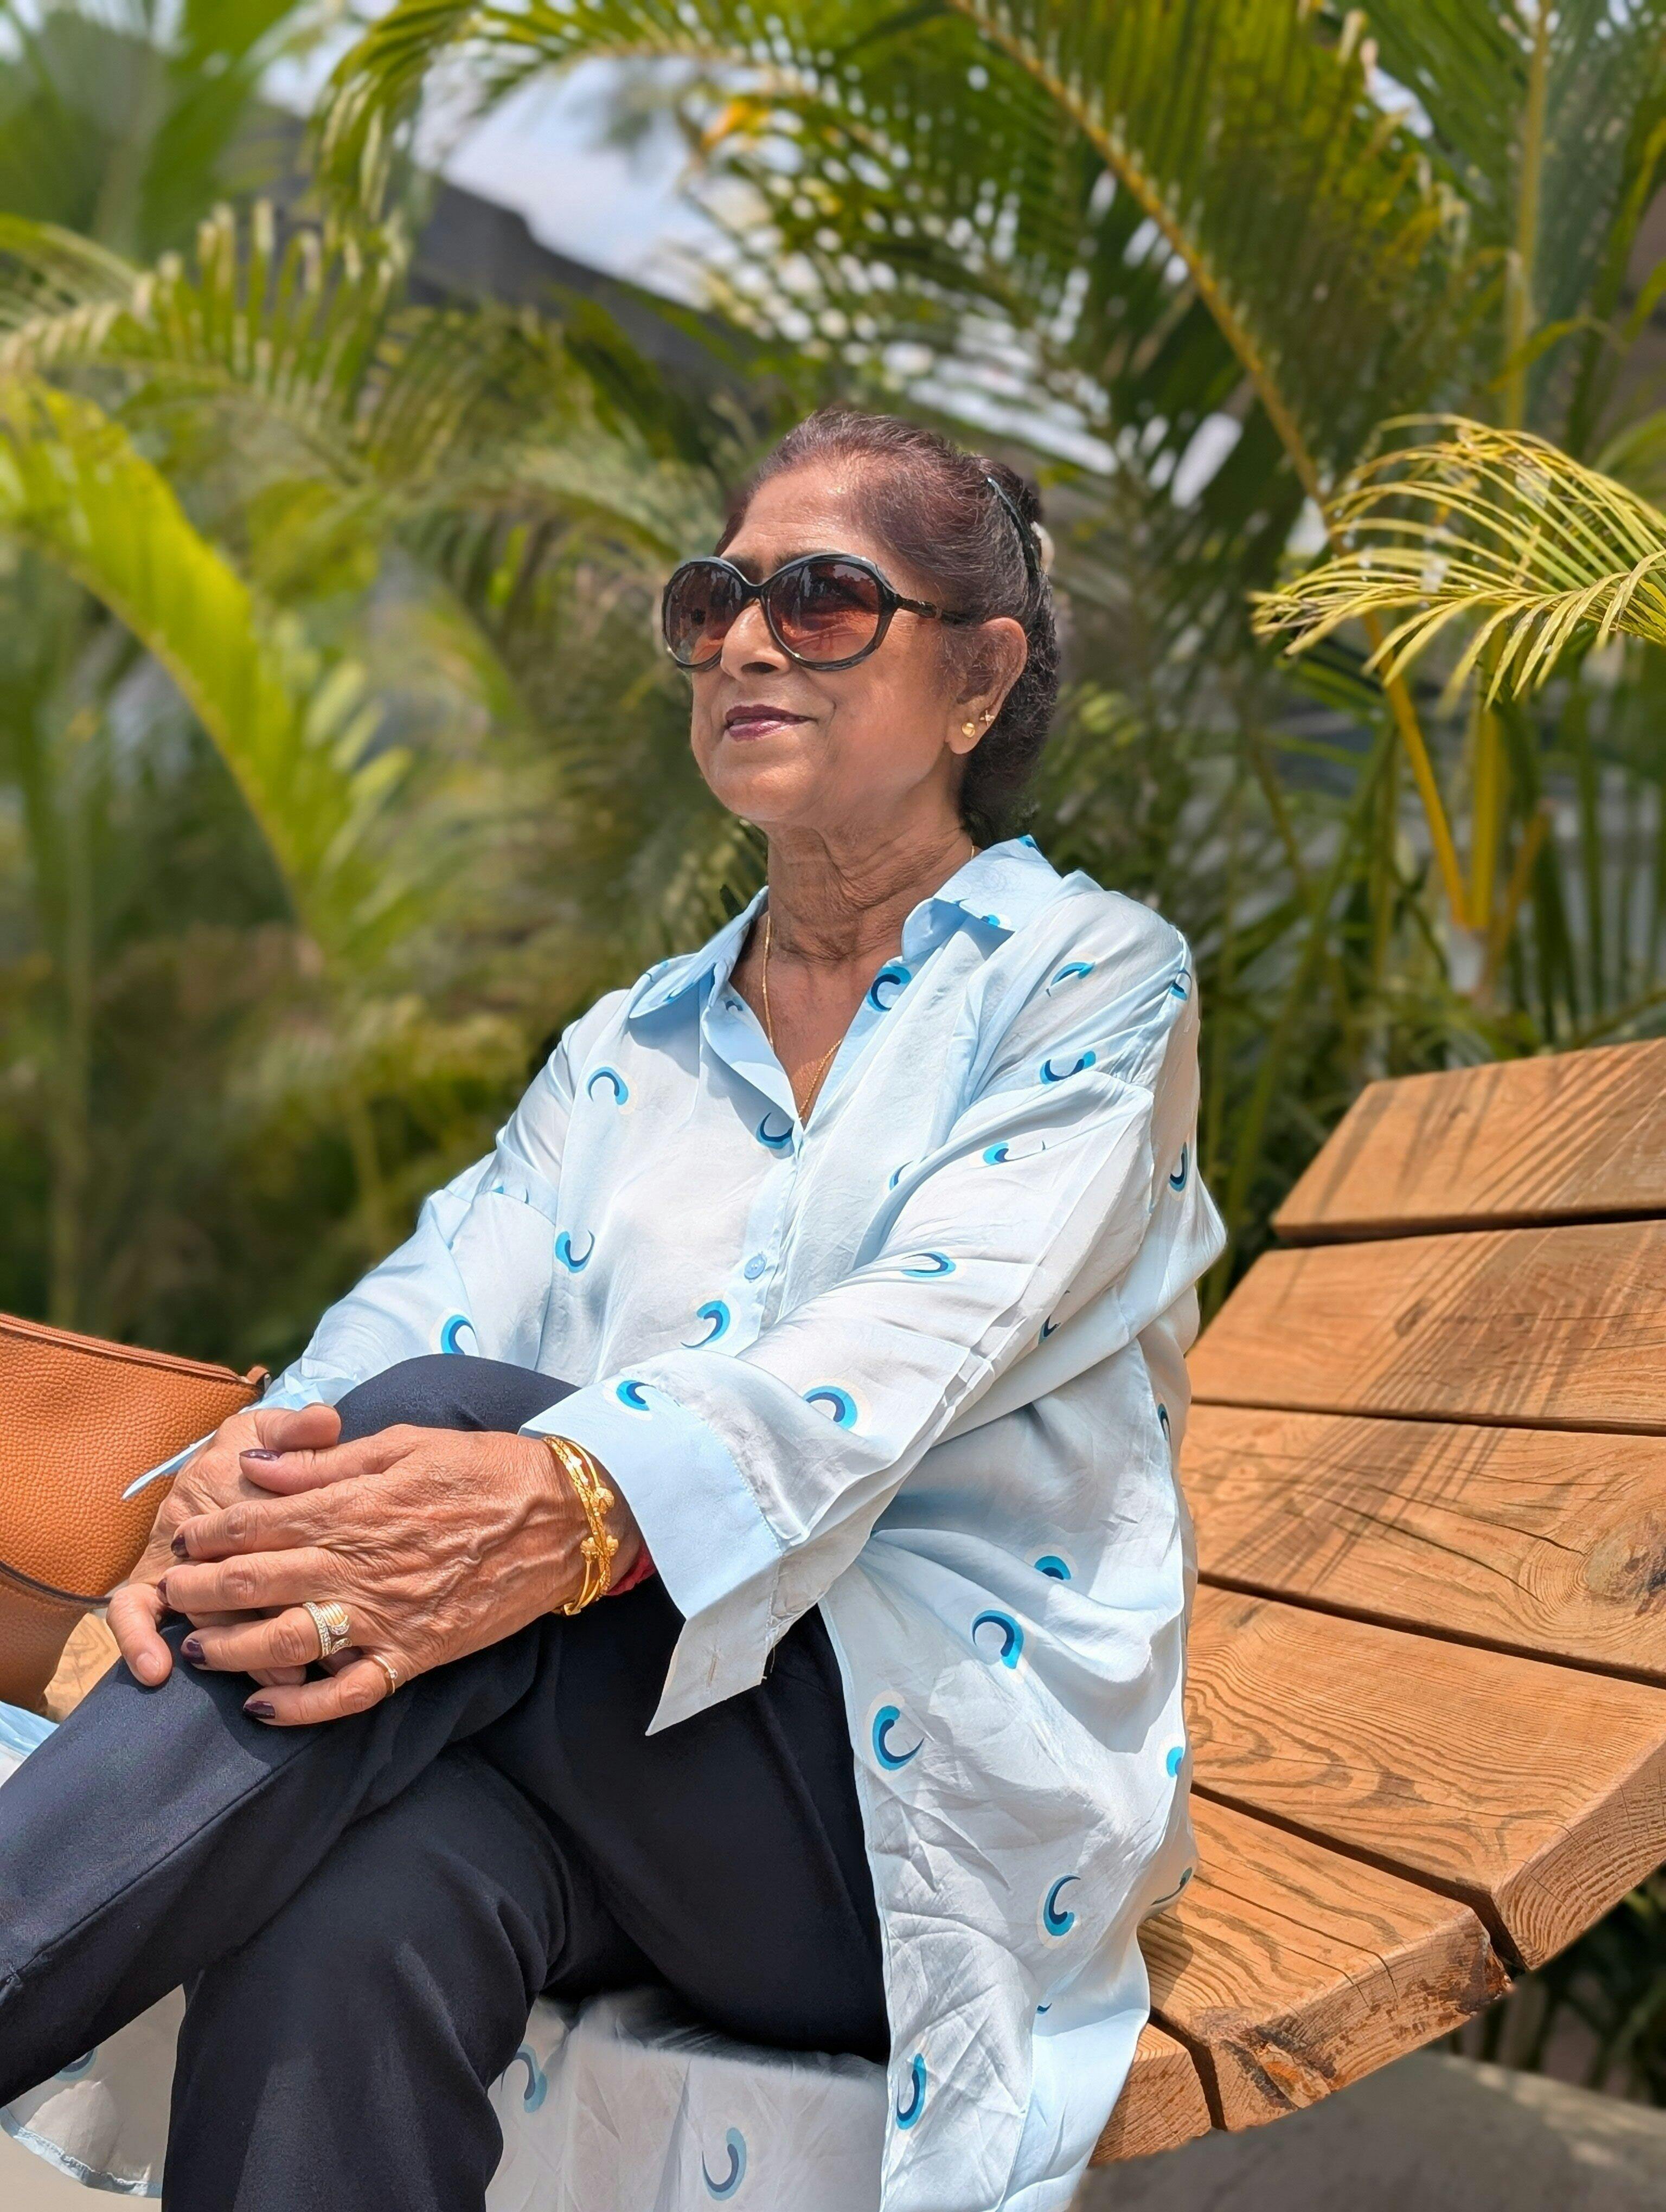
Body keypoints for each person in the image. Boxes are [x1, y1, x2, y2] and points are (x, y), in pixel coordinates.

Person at [0, 408, 1225, 2212]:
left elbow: (910, 1341)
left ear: (977, 678)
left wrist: (576, 1497)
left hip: (896, 1822)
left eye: (821, 601)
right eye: (714, 600)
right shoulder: (628, 1043)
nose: (744, 642)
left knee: (466, 1423)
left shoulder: (1089, 984)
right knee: (362, 1901)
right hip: (605, 1783)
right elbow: (436, 1289)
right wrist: (246, 1473)